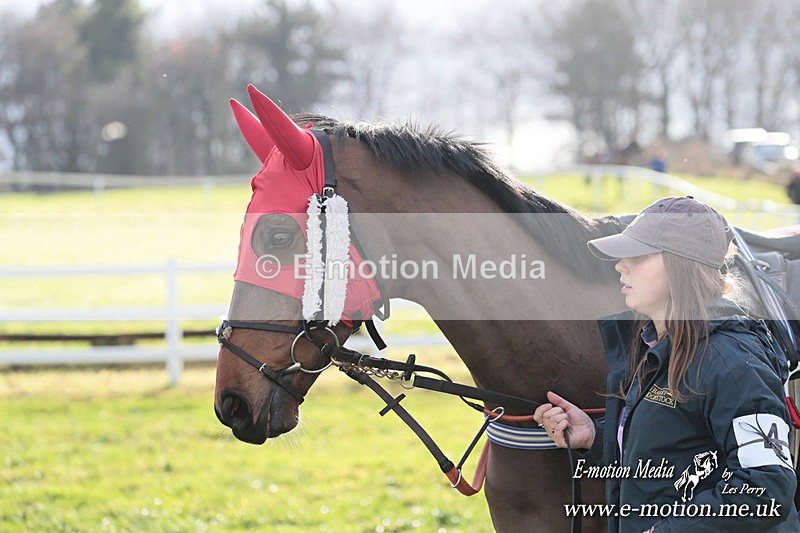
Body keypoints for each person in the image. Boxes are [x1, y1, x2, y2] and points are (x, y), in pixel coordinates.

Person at [534, 196, 799, 532]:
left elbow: (766, 490)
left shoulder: (733, 362)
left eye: (638, 255)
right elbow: (676, 449)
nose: (620, 265)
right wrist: (596, 437)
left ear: (681, 265)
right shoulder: (656, 347)